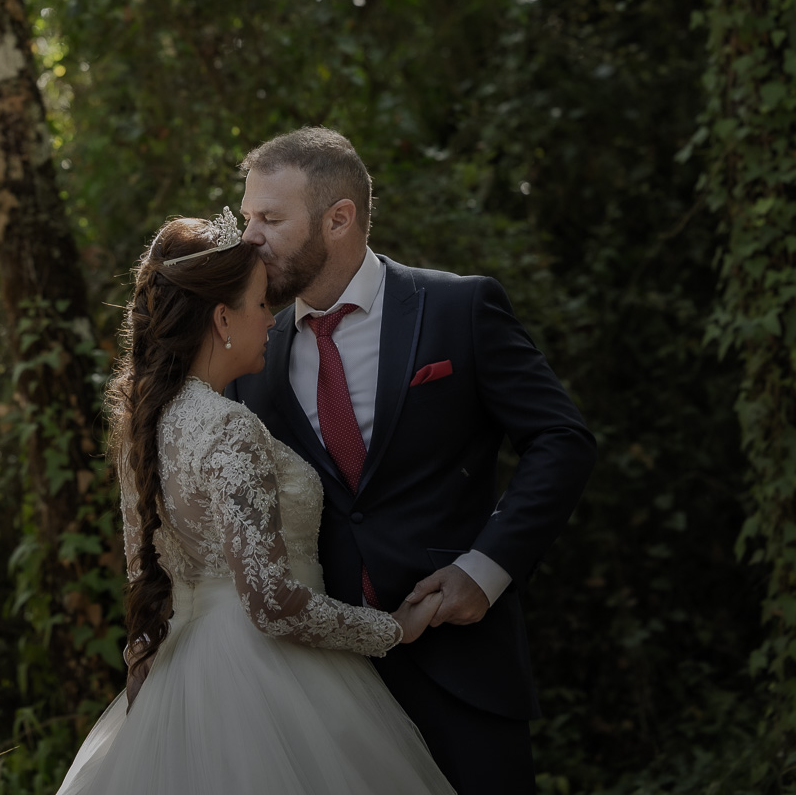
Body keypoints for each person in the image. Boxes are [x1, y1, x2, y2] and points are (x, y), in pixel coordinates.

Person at [228, 126, 598, 795]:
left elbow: (561, 440)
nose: (250, 237)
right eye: (248, 216)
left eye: (270, 219)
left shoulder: (458, 309)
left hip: (461, 664)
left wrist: (483, 572)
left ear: (339, 220)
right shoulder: (254, 355)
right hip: (324, 683)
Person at [56, 211, 457, 795]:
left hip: (180, 673)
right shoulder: (228, 429)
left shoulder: (145, 428)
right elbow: (270, 604)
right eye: (261, 304)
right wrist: (391, 629)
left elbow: (146, 570)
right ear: (223, 318)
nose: (272, 320)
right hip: (265, 675)